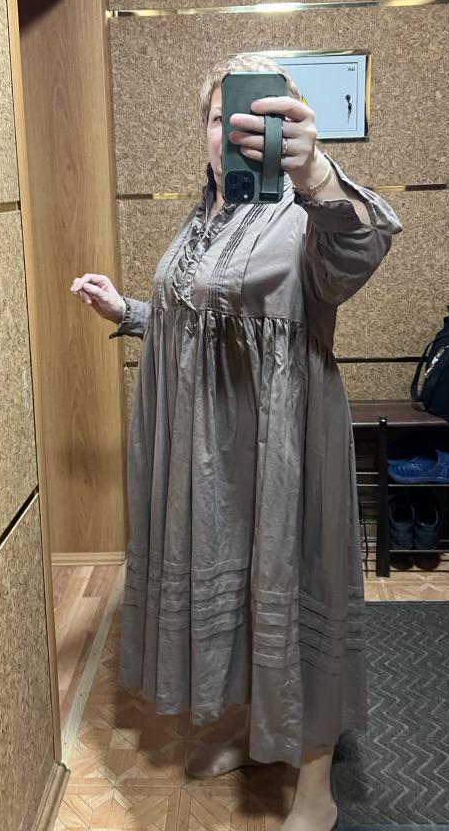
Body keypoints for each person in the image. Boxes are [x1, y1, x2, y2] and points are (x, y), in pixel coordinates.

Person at [71, 53, 401, 831]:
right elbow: (199, 317)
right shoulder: (204, 217)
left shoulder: (304, 217)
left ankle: (314, 786)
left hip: (284, 452)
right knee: (247, 597)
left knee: (296, 591)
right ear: (204, 133)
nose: (233, 133)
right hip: (213, 455)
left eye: (257, 119)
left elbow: (357, 253)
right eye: (220, 118)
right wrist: (129, 310)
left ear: (286, 132)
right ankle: (259, 733)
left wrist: (316, 172)